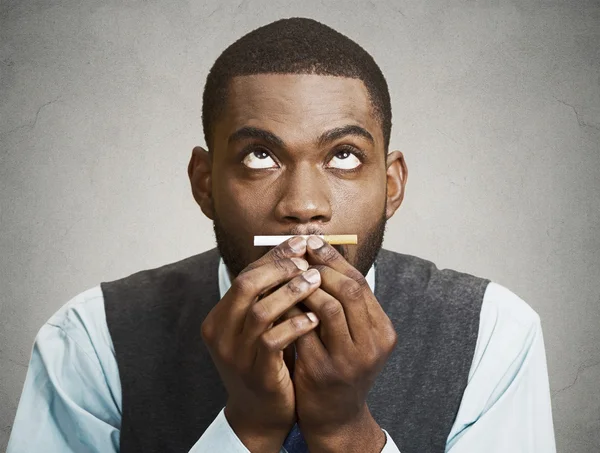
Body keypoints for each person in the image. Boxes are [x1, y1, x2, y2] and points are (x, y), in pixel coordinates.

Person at [7, 17, 556, 453]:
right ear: (204, 184)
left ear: (391, 185)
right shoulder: (91, 337)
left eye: (343, 156)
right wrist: (246, 428)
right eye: (260, 156)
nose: (304, 207)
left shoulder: (493, 332)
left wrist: (347, 433)